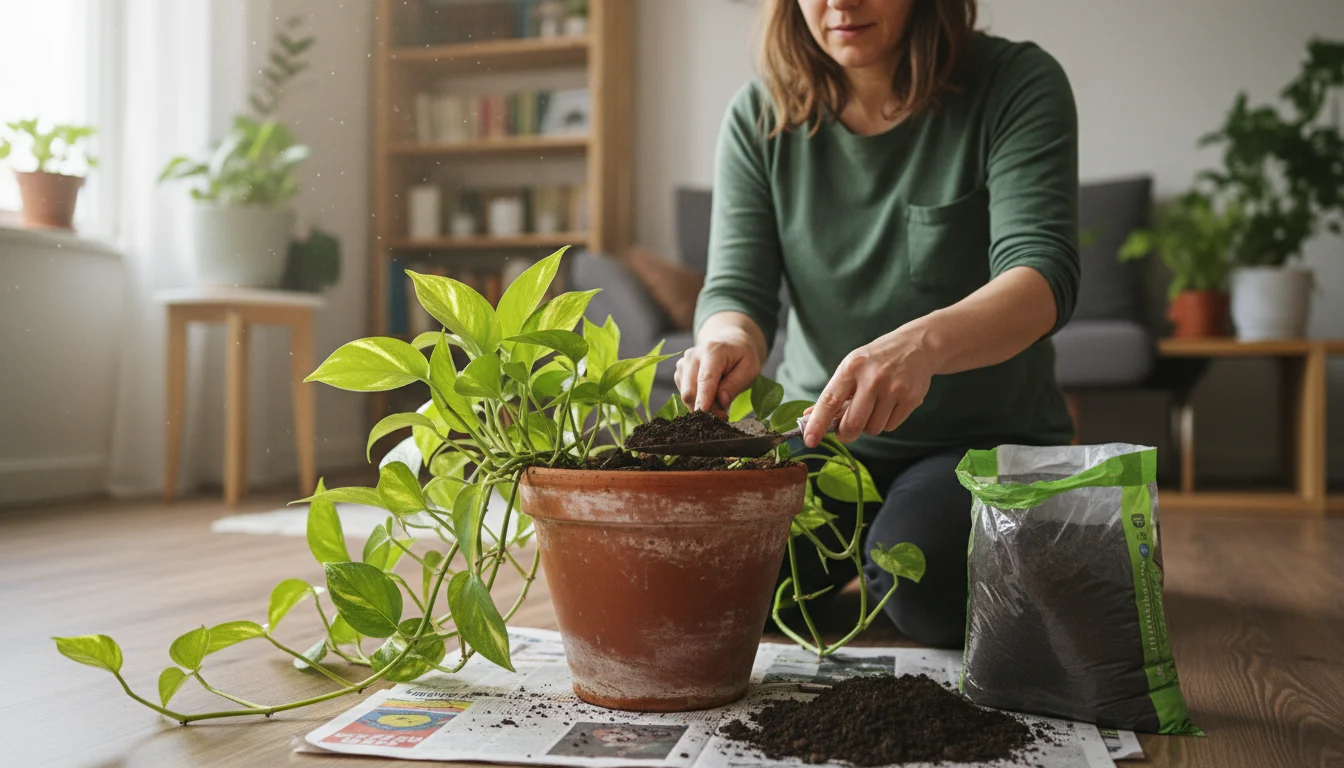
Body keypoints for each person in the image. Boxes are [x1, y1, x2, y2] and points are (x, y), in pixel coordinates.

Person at [674, 0, 1079, 648]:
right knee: (715, 576)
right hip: (821, 435)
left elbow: (1042, 277)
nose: (840, 2)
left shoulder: (1016, 83)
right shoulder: (758, 116)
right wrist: (727, 340)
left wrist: (920, 347)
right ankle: (864, 547)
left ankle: (886, 546)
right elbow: (736, 289)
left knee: (926, 580)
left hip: (978, 440)